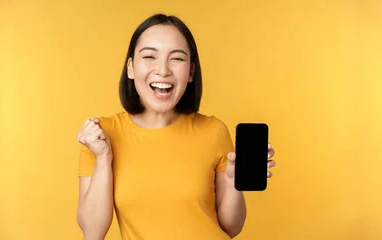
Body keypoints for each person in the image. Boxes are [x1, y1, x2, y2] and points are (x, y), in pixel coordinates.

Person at [75, 13, 276, 240]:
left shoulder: (214, 130)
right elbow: (93, 232)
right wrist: (103, 158)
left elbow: (231, 228)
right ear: (131, 68)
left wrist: (232, 182)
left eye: (177, 59)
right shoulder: (102, 136)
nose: (163, 70)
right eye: (150, 56)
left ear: (191, 72)